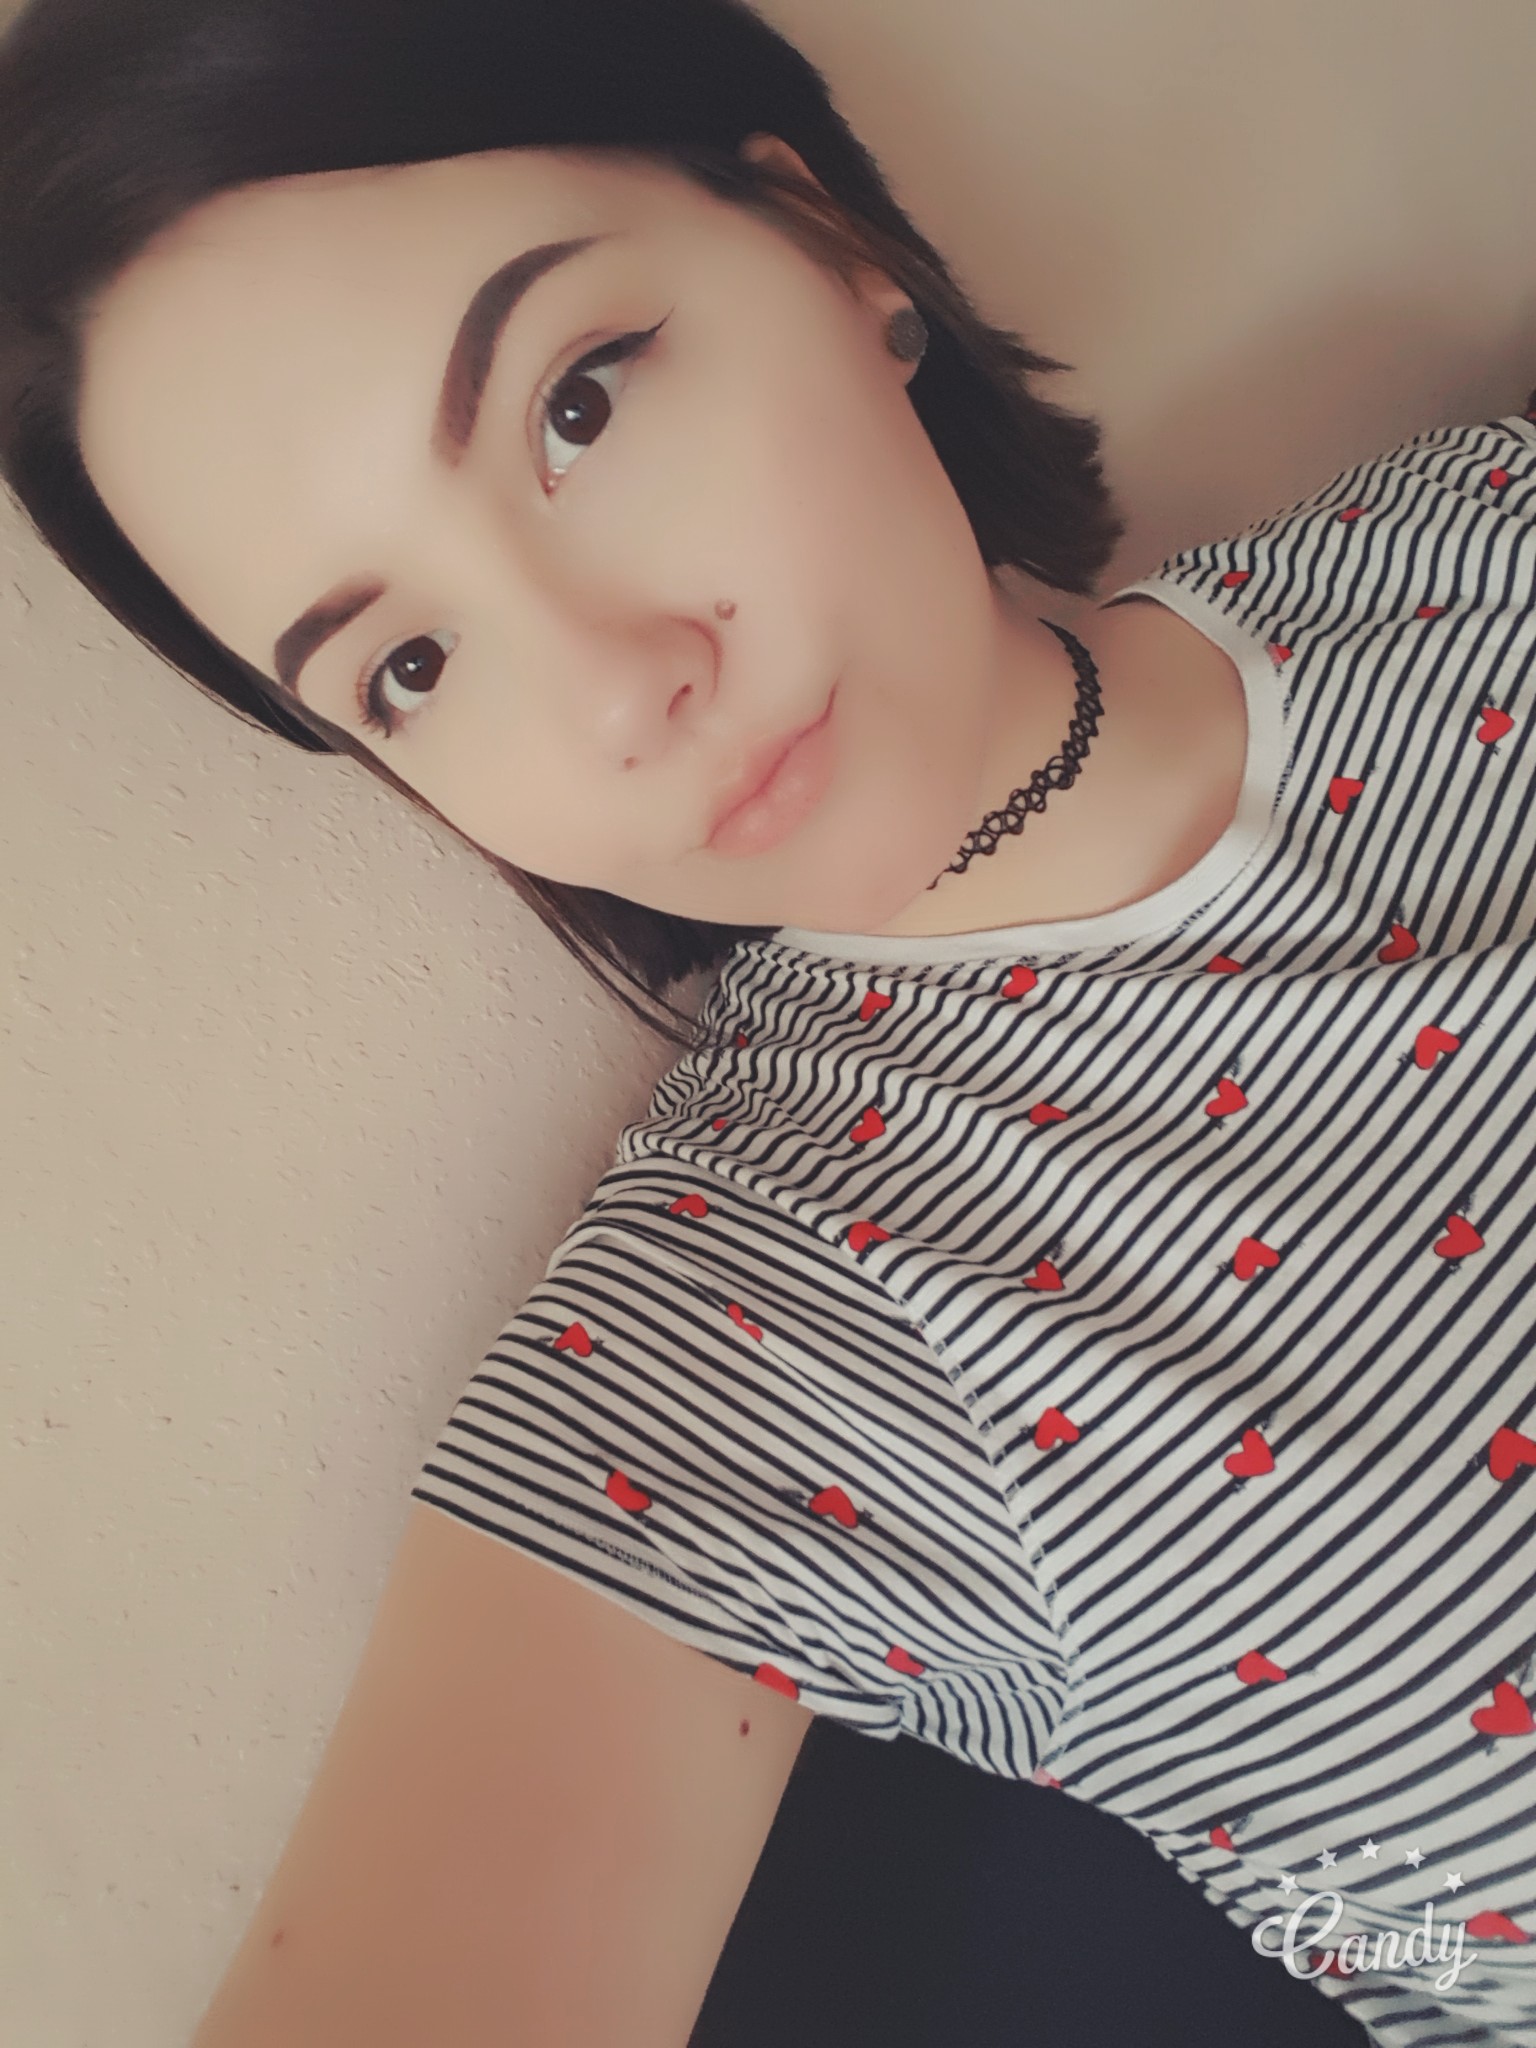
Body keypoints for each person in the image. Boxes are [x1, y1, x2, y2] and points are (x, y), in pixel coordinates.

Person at [0, 1, 1531, 2043]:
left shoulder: (1478, 530)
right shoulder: (762, 1319)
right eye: (412, 664)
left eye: (574, 406)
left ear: (832, 247)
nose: (612, 685)